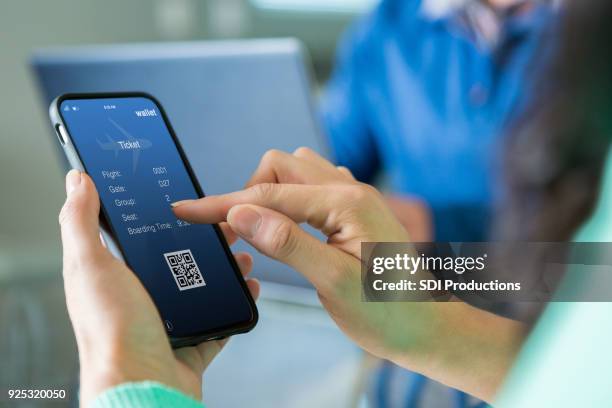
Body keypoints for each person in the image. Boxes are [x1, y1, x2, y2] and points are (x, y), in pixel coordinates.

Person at [57, 0, 612, 406]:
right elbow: (330, 159)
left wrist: (437, 241)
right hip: (425, 337)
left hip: (556, 321)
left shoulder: (591, 40)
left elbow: (600, 270)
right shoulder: (389, 29)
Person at [321, 0, 557, 243]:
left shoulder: (588, 33)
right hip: (418, 274)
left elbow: (584, 207)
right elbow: (334, 158)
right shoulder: (389, 24)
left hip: (563, 274)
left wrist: (432, 225)